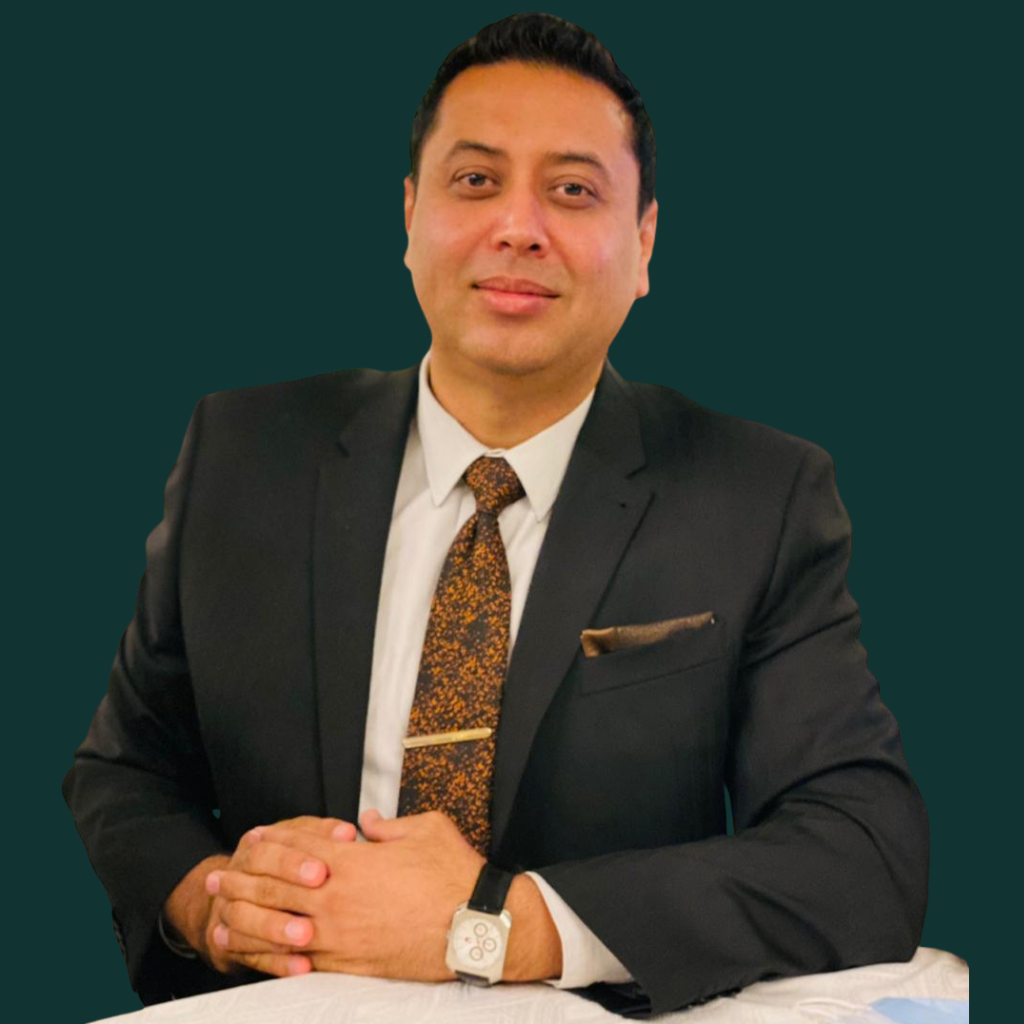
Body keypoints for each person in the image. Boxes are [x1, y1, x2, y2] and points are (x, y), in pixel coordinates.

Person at [64, 12, 928, 1017]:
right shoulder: (243, 454)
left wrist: (500, 926)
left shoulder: (758, 496)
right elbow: (124, 771)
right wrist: (218, 904)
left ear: (644, 243)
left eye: (573, 190)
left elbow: (862, 849)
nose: (518, 226)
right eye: (475, 180)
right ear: (409, 215)